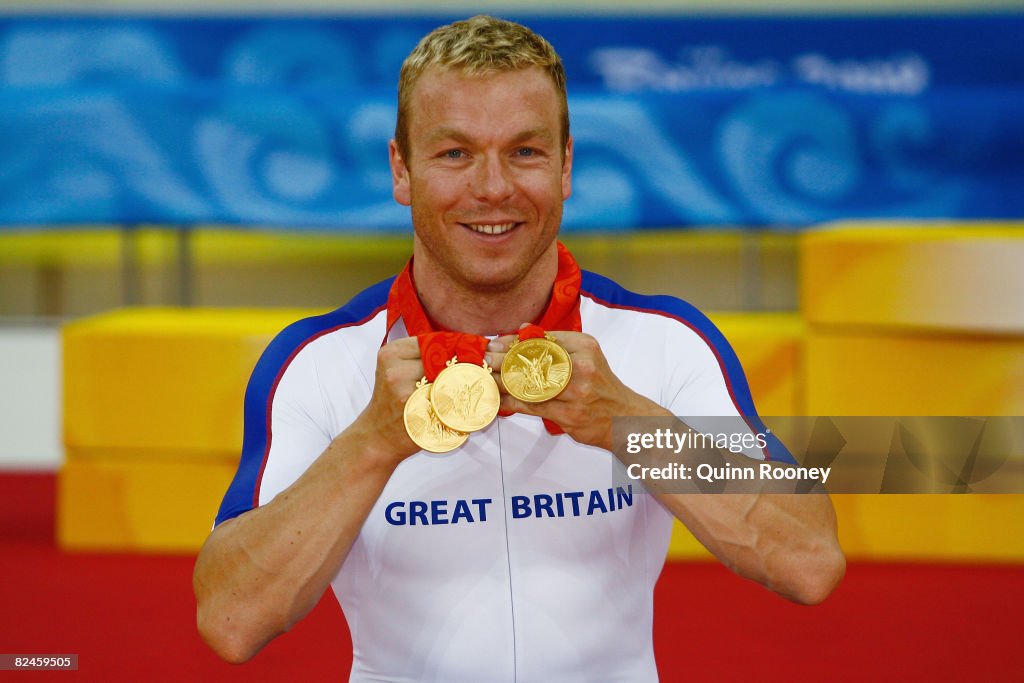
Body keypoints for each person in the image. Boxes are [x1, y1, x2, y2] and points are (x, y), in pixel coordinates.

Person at [193, 15, 845, 681]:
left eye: (525, 152)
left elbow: (810, 559)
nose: (493, 187)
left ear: (565, 166)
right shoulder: (320, 362)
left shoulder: (663, 342)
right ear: (401, 169)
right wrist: (371, 444)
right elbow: (231, 618)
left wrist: (632, 425)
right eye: (455, 153)